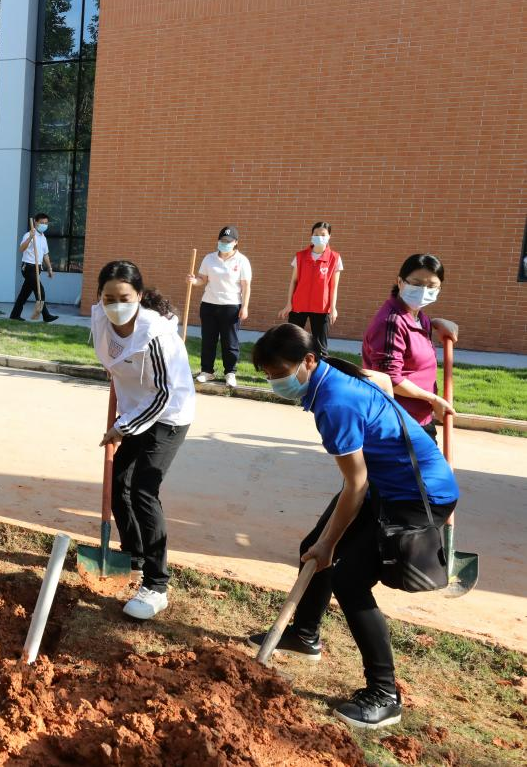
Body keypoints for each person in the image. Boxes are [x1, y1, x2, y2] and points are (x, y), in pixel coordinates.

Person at [246, 323, 459, 731]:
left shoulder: (334, 403)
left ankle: (384, 694)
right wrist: (323, 541)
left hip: (417, 495)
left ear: (309, 361)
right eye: (269, 375)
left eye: (280, 373)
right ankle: (304, 634)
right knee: (315, 544)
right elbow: (380, 379)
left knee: (347, 577)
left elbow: (356, 485)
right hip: (391, 482)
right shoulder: (334, 375)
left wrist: (331, 543)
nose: (275, 382)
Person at [91, 260, 196, 620]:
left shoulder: (155, 334)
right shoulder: (101, 319)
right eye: (108, 297)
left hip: (168, 415)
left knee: (144, 491)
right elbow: (111, 358)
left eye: (124, 297)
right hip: (134, 410)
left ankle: (156, 584)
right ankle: (133, 556)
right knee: (120, 481)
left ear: (138, 296)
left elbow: (165, 394)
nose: (116, 304)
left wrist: (123, 427)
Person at [361, 254, 460, 443]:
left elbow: (409, 339)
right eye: (416, 283)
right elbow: (390, 378)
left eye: (431, 286)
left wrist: (435, 323)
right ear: (400, 282)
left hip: (416, 418)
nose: (423, 291)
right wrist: (433, 399)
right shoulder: (391, 322)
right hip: (397, 424)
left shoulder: (416, 316)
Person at [188, 225, 252, 387]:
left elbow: (246, 286)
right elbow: (202, 279)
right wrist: (193, 281)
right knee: (208, 340)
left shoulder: (242, 260)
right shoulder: (209, 258)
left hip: (231, 307)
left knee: (230, 342)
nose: (225, 243)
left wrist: (245, 307)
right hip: (209, 305)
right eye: (222, 240)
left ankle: (230, 372)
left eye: (228, 241)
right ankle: (207, 371)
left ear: (236, 242)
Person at [278, 221, 343, 356]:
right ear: (311, 235)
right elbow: (293, 281)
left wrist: (333, 308)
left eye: (323, 234)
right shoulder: (300, 256)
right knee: (292, 342)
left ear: (329, 236)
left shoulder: (335, 258)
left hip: (321, 307)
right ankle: (290, 373)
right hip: (298, 305)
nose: (319, 237)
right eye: (316, 234)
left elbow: (334, 287)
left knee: (321, 348)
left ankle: (319, 375)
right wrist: (289, 304)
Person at [9, 213, 59, 323]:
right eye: (42, 223)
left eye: (46, 223)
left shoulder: (43, 237)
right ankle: (46, 315)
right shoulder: (29, 235)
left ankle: (14, 314)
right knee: (40, 290)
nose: (44, 225)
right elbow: (21, 249)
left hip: (38, 268)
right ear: (36, 222)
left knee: (24, 293)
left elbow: (45, 254)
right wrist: (30, 238)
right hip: (28, 267)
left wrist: (50, 268)